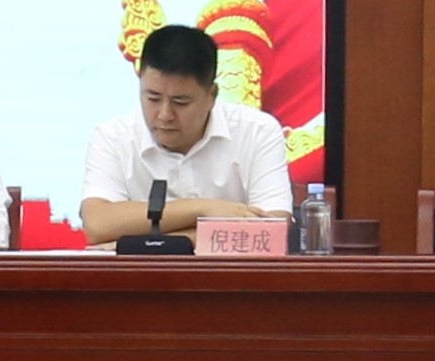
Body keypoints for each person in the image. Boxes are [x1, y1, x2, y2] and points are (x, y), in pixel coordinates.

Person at [81, 25, 289, 243]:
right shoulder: (112, 137)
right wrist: (205, 209)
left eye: (180, 102)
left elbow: (273, 231)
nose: (165, 115)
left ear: (212, 95)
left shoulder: (258, 131)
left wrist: (148, 241)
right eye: (153, 98)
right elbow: (97, 225)